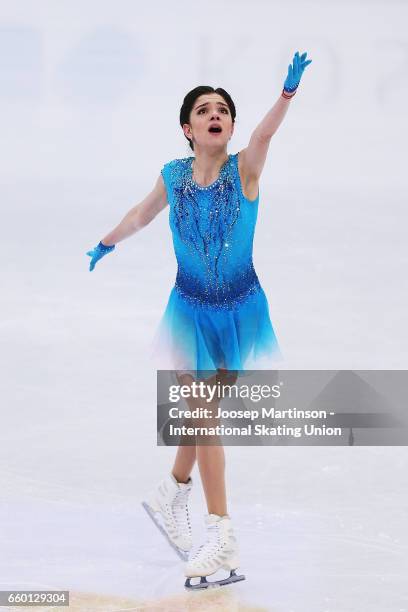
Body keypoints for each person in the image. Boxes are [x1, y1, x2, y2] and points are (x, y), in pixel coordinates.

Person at [86, 50, 312, 589]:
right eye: (205, 110)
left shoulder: (246, 168)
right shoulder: (173, 174)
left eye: (224, 111)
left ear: (230, 126)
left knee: (202, 415)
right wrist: (106, 241)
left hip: (238, 309)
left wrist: (286, 94)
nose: (217, 115)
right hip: (188, 310)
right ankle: (221, 529)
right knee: (204, 414)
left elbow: (264, 136)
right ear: (188, 128)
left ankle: (172, 491)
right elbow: (142, 213)